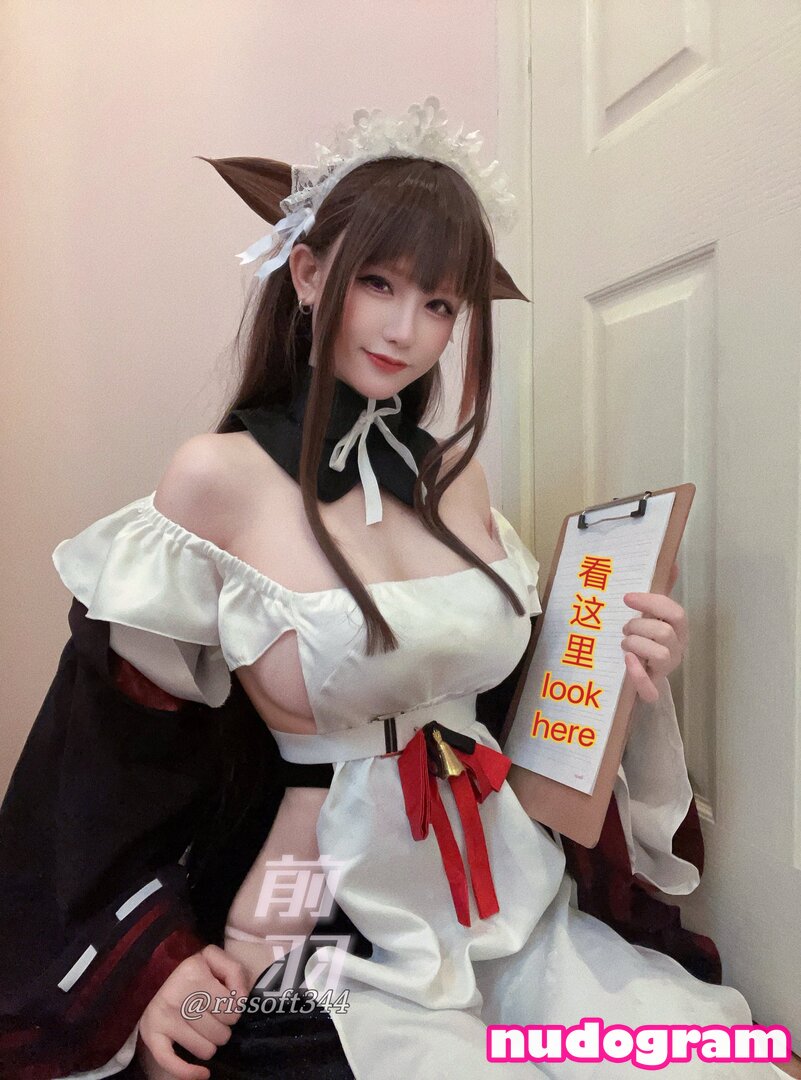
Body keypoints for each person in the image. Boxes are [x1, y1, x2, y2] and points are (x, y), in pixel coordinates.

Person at [0, 99, 792, 1080]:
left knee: (707, 1061)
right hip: (318, 892)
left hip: (506, 883)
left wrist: (627, 664)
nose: (406, 329)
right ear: (307, 273)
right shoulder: (215, 481)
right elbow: (108, 758)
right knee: (296, 1029)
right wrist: (159, 968)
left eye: (441, 303)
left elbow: (514, 703)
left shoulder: (459, 481)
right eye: (378, 282)